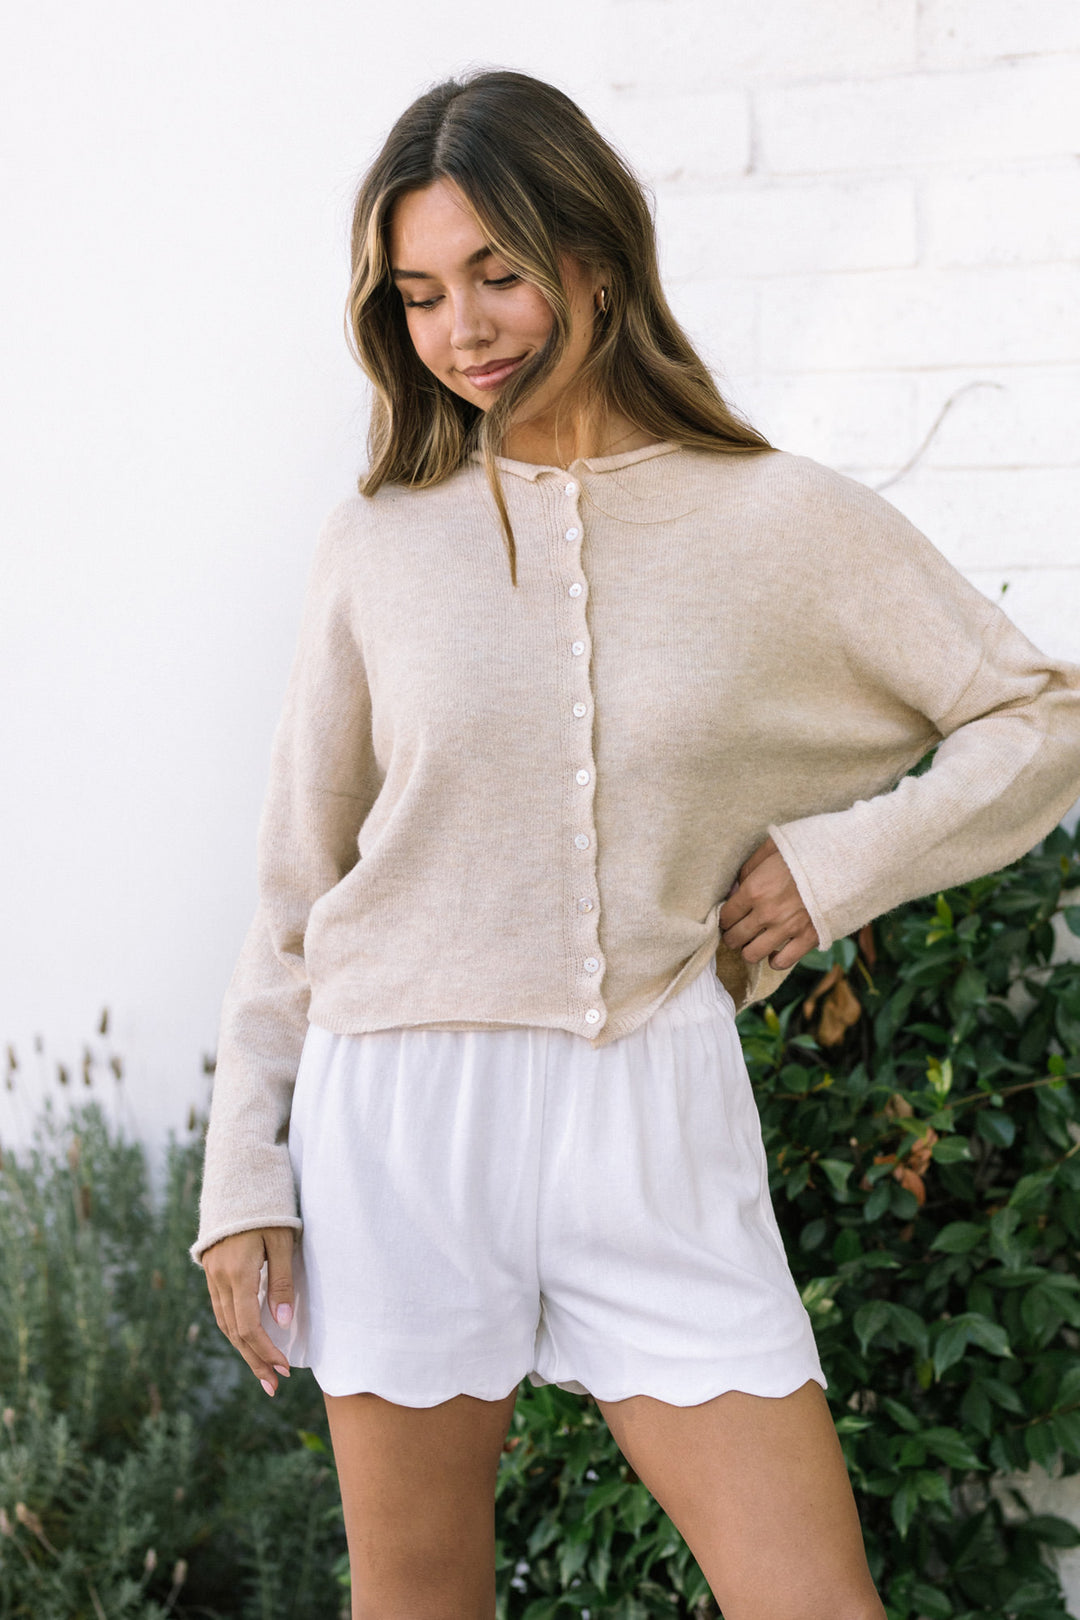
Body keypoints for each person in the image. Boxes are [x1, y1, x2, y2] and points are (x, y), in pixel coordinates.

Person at [189, 67, 1080, 1620]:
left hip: (649, 1098)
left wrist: (835, 864)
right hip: (399, 1108)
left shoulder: (776, 523)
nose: (462, 331)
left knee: (812, 1598)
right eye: (418, 296)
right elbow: (297, 874)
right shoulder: (379, 543)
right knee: (418, 1601)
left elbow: (1040, 713)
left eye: (498, 273)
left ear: (592, 255)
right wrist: (243, 1167)